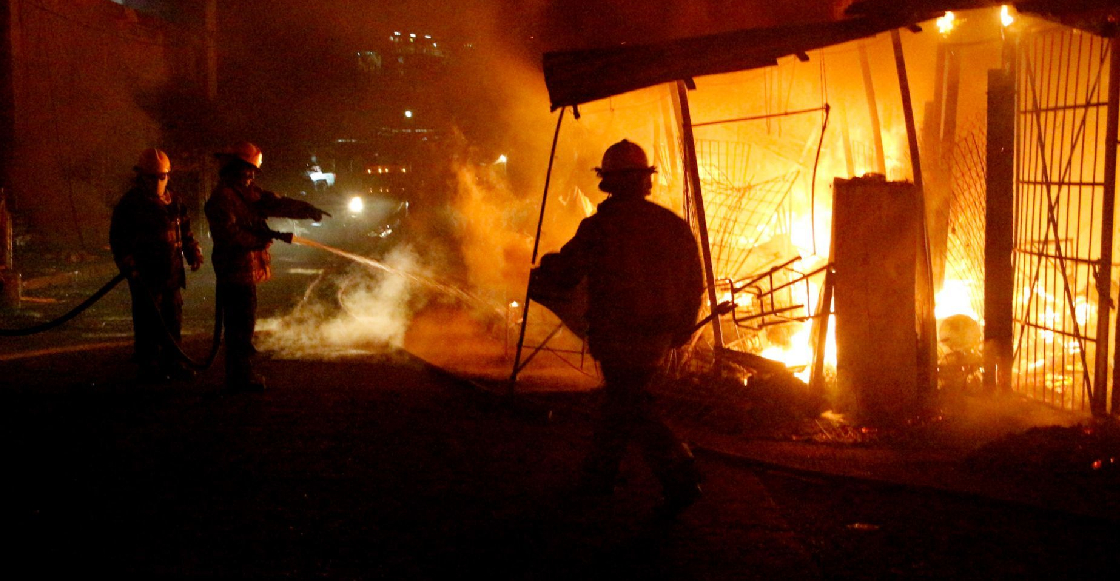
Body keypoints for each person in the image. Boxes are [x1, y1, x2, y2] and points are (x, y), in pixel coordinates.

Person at [531, 139, 705, 517]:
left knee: (630, 404)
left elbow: (568, 271)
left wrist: (542, 269)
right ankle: (600, 477)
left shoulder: (600, 227)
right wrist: (683, 327)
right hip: (657, 336)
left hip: (617, 334)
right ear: (645, 182)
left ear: (607, 183)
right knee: (624, 402)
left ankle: (680, 475)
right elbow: (695, 282)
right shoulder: (671, 226)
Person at [205, 141, 328, 392]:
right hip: (233, 270)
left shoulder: (247, 194)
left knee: (243, 323)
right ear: (237, 168)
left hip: (244, 270)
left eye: (252, 171)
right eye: (248, 170)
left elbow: (276, 203)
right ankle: (239, 377)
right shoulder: (223, 198)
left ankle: (241, 373)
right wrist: (259, 240)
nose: (251, 176)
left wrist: (306, 209)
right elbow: (229, 234)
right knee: (240, 326)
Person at [110, 148, 204, 382]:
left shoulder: (175, 201)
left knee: (172, 319)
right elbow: (119, 239)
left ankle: (174, 362)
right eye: (153, 177)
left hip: (171, 272)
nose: (158, 182)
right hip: (144, 275)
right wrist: (128, 265)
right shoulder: (131, 204)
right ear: (142, 176)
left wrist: (192, 251)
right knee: (147, 321)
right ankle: (148, 365)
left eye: (162, 177)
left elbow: (185, 231)